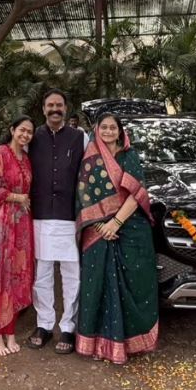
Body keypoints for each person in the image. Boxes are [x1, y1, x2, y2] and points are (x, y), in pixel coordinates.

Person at [75, 113, 159, 365]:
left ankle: (131, 344)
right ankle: (100, 345)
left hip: (130, 228)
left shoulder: (129, 156)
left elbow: (137, 194)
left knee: (133, 283)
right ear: (97, 130)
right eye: (104, 127)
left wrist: (116, 222)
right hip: (97, 230)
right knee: (98, 284)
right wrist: (101, 225)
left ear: (121, 131)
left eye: (113, 127)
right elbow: (82, 198)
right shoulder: (89, 159)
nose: (109, 131)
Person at [26, 88, 87, 354]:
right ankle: (44, 324)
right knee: (42, 275)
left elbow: (90, 170)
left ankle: (69, 327)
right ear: (43, 109)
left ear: (65, 108)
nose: (54, 109)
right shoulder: (32, 137)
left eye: (59, 105)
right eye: (50, 105)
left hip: (69, 216)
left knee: (72, 275)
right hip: (40, 215)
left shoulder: (79, 137)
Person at [0, 116, 36, 356]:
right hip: (1, 221)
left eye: (30, 132)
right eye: (22, 130)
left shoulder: (26, 159)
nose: (25, 135)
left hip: (21, 223)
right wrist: (17, 197)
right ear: (12, 130)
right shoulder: (0, 153)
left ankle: (11, 331)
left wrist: (24, 201)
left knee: (16, 276)